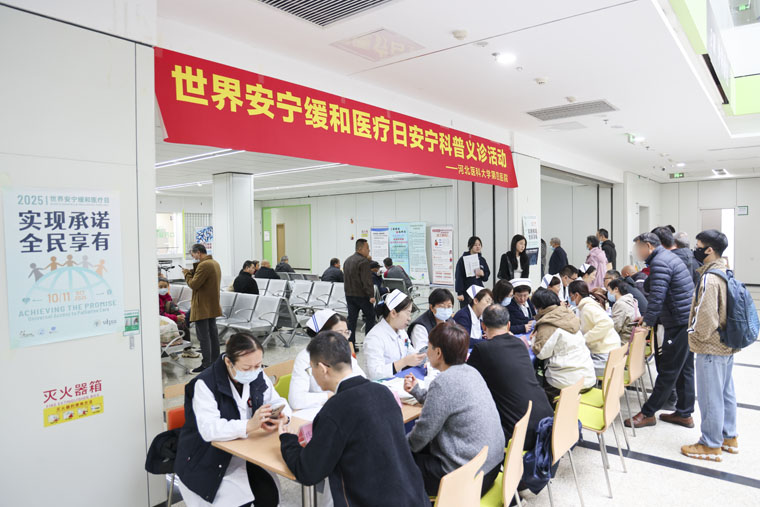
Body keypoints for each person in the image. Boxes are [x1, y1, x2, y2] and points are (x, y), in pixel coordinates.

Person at [279, 331, 429, 506]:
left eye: (311, 368)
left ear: (322, 368)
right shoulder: (383, 392)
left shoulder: (335, 410)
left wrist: (287, 439)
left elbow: (308, 472)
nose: (312, 373)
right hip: (415, 497)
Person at [176, 333, 291, 507]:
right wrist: (249, 425)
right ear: (229, 362)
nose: (253, 371)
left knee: (270, 498)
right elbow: (209, 429)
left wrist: (282, 416)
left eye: (258, 365)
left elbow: (276, 401)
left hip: (245, 453)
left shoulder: (257, 374)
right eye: (246, 368)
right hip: (207, 459)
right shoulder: (205, 383)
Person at [405, 322, 505, 498]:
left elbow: (420, 437)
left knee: (398, 462)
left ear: (438, 353)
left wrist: (396, 447)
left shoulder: (443, 383)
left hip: (466, 478)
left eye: (428, 347)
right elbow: (446, 403)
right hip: (491, 468)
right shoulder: (471, 372)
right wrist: (417, 392)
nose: (427, 352)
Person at [625, 232, 695, 430]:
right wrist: (648, 318)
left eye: (638, 247)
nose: (636, 252)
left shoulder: (660, 263)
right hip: (685, 319)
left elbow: (657, 297)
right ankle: (684, 413)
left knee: (668, 369)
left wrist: (647, 323)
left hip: (678, 321)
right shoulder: (666, 257)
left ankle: (648, 413)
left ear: (648, 246)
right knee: (685, 368)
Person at [681, 230, 739, 462]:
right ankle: (728, 436)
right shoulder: (725, 272)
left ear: (709, 250)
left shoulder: (709, 278)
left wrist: (694, 336)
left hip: (710, 347)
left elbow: (705, 318)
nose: (695, 250)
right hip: (726, 342)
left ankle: (710, 444)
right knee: (725, 391)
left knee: (710, 396)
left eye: (698, 246)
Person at [467, 305, 554, 450]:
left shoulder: (482, 349)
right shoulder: (519, 343)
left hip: (520, 435)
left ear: (483, 326)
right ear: (508, 325)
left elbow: (466, 381)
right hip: (548, 424)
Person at [289, 310, 365, 410]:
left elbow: (362, 379)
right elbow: (296, 400)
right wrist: (330, 396)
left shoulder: (343, 352)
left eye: (346, 333)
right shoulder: (305, 357)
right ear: (321, 335)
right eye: (339, 333)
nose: (344, 338)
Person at [531, 288, 596, 404]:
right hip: (587, 377)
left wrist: (534, 339)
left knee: (538, 391)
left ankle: (552, 413)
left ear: (539, 307)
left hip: (566, 383)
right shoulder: (569, 316)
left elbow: (541, 353)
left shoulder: (548, 323)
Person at [363, 290, 424, 380]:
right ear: (393, 313)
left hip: (396, 381)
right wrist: (404, 362)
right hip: (379, 384)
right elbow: (375, 373)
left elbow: (410, 351)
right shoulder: (374, 338)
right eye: (407, 313)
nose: (409, 318)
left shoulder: (401, 332)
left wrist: (423, 359)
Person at [183, 243, 223, 374]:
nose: (193, 257)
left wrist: (186, 274)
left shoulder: (204, 265)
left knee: (203, 337)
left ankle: (206, 364)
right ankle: (215, 361)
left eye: (193, 254)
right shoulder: (214, 263)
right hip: (212, 305)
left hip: (202, 306)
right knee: (213, 335)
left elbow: (194, 284)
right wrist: (193, 272)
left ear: (198, 252)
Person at [568, 280, 620, 375]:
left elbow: (607, 323)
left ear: (577, 295)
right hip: (611, 353)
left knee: (573, 369)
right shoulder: (587, 306)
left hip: (605, 356)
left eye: (571, 296)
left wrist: (585, 339)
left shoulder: (587, 308)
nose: (570, 300)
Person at [343, 239, 376, 349]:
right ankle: (369, 343)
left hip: (349, 295)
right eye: (367, 248)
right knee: (370, 317)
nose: (369, 250)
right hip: (362, 296)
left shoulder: (347, 260)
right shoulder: (363, 261)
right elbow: (366, 280)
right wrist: (371, 295)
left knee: (351, 320)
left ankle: (350, 344)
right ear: (360, 249)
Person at [454, 236, 490, 307]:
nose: (478, 247)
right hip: (466, 291)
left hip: (479, 290)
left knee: (480, 309)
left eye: (479, 245)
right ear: (470, 246)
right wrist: (459, 293)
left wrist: (483, 273)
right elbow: (459, 276)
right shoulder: (463, 260)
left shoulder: (481, 259)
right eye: (475, 245)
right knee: (467, 310)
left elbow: (486, 276)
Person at [607, 278, 639, 343]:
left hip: (623, 342)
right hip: (633, 340)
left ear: (616, 289)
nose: (608, 293)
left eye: (609, 290)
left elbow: (615, 327)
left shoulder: (620, 304)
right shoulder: (632, 301)